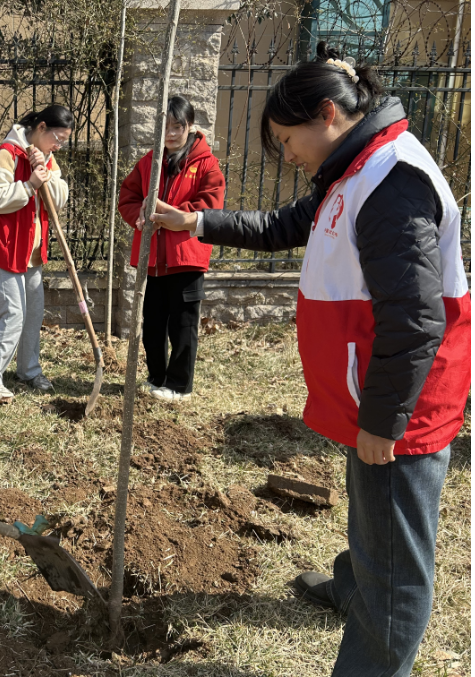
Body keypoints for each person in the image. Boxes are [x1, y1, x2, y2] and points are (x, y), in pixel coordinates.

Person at [149, 42, 470, 677]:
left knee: (397, 573)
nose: (288, 155)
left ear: (326, 114)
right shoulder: (355, 169)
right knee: (370, 512)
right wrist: (196, 223)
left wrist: (383, 421)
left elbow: (415, 317)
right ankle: (354, 585)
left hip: (400, 407)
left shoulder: (391, 180)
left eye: (287, 139)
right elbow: (282, 226)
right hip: (369, 390)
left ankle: (374, 634)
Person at [118, 95, 225, 403]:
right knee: (152, 322)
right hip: (152, 258)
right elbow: (128, 198)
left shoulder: (207, 164)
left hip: (186, 257)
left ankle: (179, 386)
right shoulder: (149, 162)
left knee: (183, 324)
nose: (171, 133)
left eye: (177, 126)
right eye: (164, 127)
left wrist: (170, 214)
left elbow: (210, 205)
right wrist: (139, 215)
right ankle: (156, 378)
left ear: (190, 126)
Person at [0, 105, 71, 404]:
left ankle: (28, 370)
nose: (58, 145)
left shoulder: (47, 157)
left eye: (64, 141)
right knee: (12, 314)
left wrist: (46, 175)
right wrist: (29, 186)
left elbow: (58, 199)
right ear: (41, 128)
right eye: (57, 138)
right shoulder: (8, 154)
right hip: (4, 247)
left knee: (32, 315)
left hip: (31, 251)